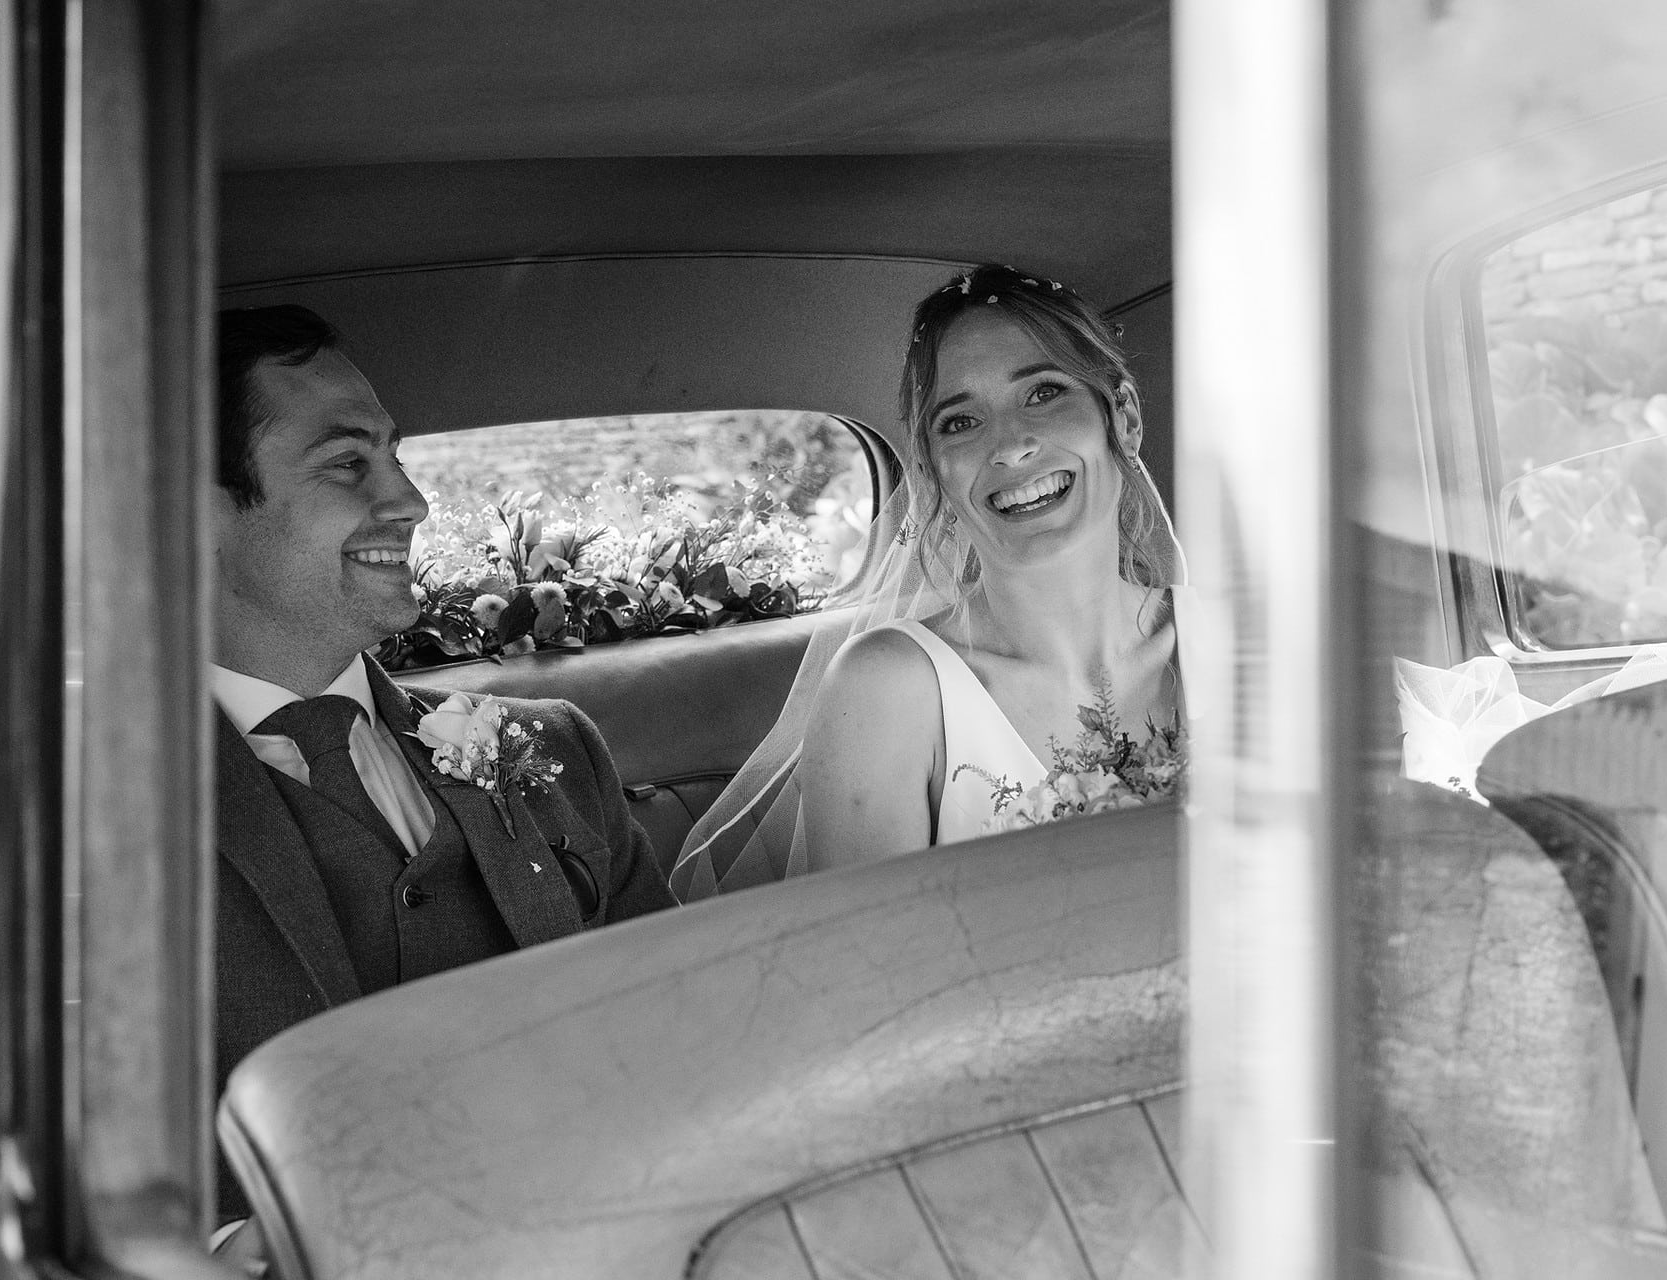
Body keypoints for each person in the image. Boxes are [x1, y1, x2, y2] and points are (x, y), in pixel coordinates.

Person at [211, 304, 673, 1219]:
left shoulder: (556, 749)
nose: (411, 500)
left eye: (396, 455)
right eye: (349, 463)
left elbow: (678, 1025)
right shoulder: (63, 827)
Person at [672, 265, 1182, 898]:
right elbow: (872, 973)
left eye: (1044, 393)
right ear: (934, 472)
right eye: (961, 422)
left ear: (1124, 418)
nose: (1011, 446)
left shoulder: (1250, 641)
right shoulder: (886, 690)